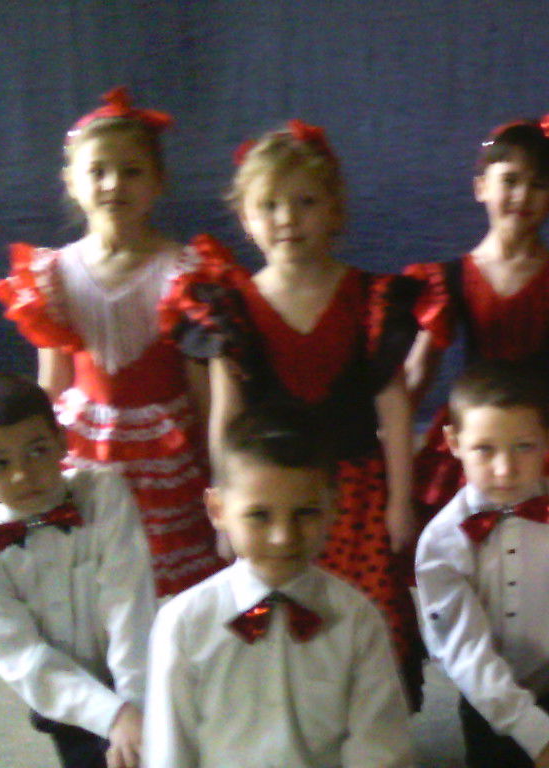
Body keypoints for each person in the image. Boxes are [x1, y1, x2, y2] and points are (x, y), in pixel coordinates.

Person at [163, 119, 425, 704]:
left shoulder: (371, 300)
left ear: (335, 210)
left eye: (305, 202)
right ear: (245, 217)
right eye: (270, 205)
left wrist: (401, 501)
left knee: (361, 614)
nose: (288, 218)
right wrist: (227, 510)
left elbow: (394, 409)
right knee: (279, 607)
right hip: (271, 499)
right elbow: (226, 421)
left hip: (356, 497)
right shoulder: (232, 311)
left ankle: (366, 719)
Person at [0, 86, 222, 596]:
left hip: (165, 451)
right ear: (72, 182)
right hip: (86, 446)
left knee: (166, 568)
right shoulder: (51, 274)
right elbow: (51, 385)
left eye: (131, 171)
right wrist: (32, 461)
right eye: (98, 171)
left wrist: (219, 467)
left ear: (158, 182)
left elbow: (203, 390)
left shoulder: (183, 271)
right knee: (97, 565)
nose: (114, 184)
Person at [143, 404, 416, 768]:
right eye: (259, 515)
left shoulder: (357, 620)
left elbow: (379, 747)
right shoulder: (183, 623)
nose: (283, 537)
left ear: (334, 508)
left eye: (305, 513)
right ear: (218, 509)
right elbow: (169, 750)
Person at [404, 113, 549, 526]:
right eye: (510, 180)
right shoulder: (449, 279)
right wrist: (386, 446)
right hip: (478, 435)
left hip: (545, 441)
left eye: (538, 185)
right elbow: (417, 375)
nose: (522, 196)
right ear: (482, 187)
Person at [415, 362, 549, 768]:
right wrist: (537, 735)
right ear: (453, 442)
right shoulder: (441, 542)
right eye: (485, 449)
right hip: (487, 703)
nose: (505, 468)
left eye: (524, 446)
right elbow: (465, 651)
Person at [0, 373, 155, 768]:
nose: (22, 474)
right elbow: (23, 657)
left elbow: (128, 603)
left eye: (36, 451)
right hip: (67, 707)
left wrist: (135, 706)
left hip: (141, 679)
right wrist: (113, 716)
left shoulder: (104, 494)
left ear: (62, 441)